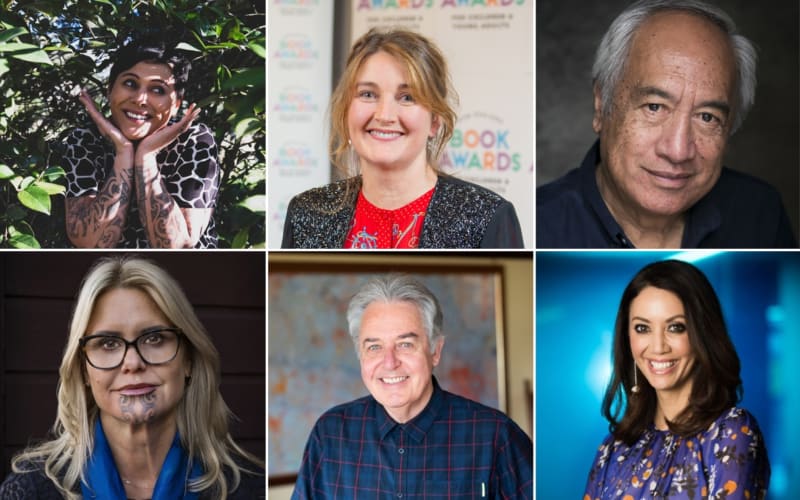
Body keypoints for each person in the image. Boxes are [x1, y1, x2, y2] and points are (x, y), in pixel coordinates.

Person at [537, 0, 797, 248]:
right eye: (654, 107)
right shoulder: (537, 225)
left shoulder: (761, 213)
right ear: (601, 105)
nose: (678, 151)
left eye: (707, 117)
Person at [0, 256, 264, 499]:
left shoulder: (249, 489)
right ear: (83, 370)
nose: (133, 363)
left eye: (154, 338)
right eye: (108, 343)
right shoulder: (31, 490)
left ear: (189, 361)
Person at [292, 274, 532, 498]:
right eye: (374, 347)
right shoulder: (330, 434)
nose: (390, 362)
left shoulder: (496, 436)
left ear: (435, 351)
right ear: (360, 355)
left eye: (405, 344)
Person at [281, 29, 524, 249]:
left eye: (407, 97)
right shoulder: (307, 212)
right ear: (346, 111)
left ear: (435, 120)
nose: (384, 115)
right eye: (368, 94)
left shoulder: (487, 217)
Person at [584, 259, 770, 498]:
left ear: (703, 333)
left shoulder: (732, 432)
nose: (658, 347)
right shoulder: (613, 448)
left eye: (675, 327)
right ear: (626, 337)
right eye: (642, 328)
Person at [63, 40, 220, 248]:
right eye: (130, 83)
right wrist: (124, 153)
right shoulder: (85, 140)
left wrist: (146, 157)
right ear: (110, 90)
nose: (140, 99)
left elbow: (177, 247)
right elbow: (88, 242)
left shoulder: (195, 140)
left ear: (176, 105)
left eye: (158, 90)